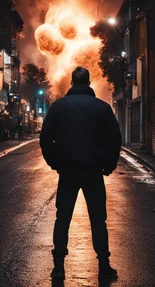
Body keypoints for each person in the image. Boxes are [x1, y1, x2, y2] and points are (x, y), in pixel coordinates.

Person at [40, 66, 122, 280]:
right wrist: (109, 165)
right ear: (88, 82)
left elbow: (45, 137)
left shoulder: (58, 107)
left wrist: (55, 162)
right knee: (97, 219)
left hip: (67, 171)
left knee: (63, 218)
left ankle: (58, 267)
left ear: (71, 82)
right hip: (93, 171)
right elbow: (115, 138)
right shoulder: (102, 108)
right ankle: (104, 265)